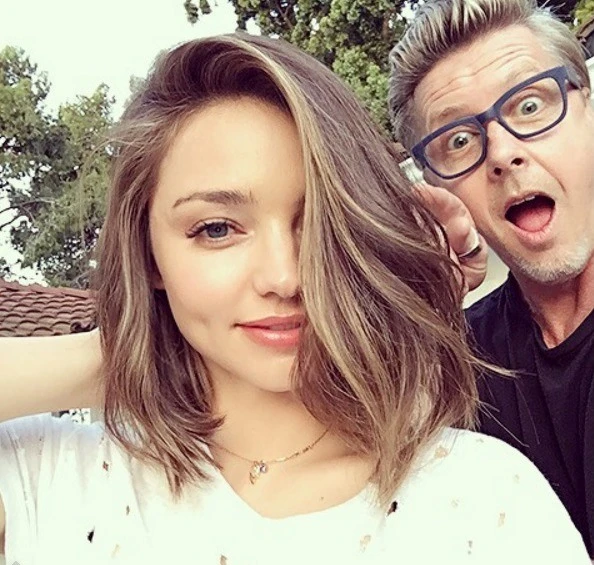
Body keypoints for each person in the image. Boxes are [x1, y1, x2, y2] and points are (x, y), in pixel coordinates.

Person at [0, 33, 590, 564]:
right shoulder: (49, 479)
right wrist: (132, 355)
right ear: (149, 254)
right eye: (216, 229)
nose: (284, 276)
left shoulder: (485, 500)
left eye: (321, 224)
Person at [389, 0, 594, 557]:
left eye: (530, 105)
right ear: (435, 186)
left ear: (586, 107)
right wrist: (420, 309)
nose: (502, 153)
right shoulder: (458, 361)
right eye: (457, 140)